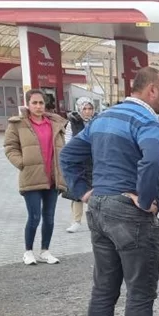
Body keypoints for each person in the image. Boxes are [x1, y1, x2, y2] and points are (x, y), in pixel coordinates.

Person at [60, 66, 159, 316]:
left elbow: (69, 155)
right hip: (129, 213)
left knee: (103, 291)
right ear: (151, 90)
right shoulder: (146, 120)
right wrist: (146, 198)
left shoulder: (103, 117)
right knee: (140, 293)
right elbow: (151, 160)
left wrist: (84, 191)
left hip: (99, 210)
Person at [5, 90, 68, 265]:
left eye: (41, 103)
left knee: (49, 217)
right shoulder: (18, 124)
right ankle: (28, 251)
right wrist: (22, 163)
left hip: (52, 177)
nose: (39, 106)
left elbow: (63, 147)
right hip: (31, 177)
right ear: (27, 104)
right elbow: (10, 147)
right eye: (35, 103)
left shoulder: (55, 124)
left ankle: (45, 250)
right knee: (34, 216)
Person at [64, 98, 96, 233]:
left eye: (90, 109)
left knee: (96, 193)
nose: (88, 112)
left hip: (95, 162)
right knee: (77, 192)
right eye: (85, 109)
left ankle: (95, 221)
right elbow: (68, 142)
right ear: (79, 109)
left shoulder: (98, 121)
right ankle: (76, 221)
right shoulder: (72, 123)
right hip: (79, 162)